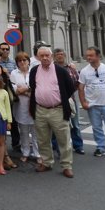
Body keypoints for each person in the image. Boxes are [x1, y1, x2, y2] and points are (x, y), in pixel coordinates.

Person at [29, 47, 76, 178]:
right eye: (41, 55)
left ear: (52, 56)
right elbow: (33, 87)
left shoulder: (61, 71)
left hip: (58, 110)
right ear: (38, 57)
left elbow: (71, 88)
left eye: (47, 55)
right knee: (42, 139)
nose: (44, 58)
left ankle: (66, 165)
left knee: (63, 140)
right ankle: (46, 162)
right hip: (40, 110)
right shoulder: (34, 71)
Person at [9, 52, 40, 163]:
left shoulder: (34, 72)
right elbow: (14, 90)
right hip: (20, 106)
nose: (22, 62)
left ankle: (38, 154)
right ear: (17, 63)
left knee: (36, 132)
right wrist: (27, 90)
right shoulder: (14, 73)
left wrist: (25, 89)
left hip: (34, 105)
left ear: (28, 61)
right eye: (20, 61)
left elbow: (37, 87)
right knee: (23, 131)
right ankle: (25, 152)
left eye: (24, 60)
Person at [54, 48, 85, 155]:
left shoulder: (71, 69)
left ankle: (78, 146)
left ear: (65, 55)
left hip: (71, 99)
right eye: (57, 54)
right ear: (54, 56)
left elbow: (77, 82)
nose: (59, 56)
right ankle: (56, 146)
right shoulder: (51, 68)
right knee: (56, 125)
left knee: (75, 124)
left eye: (61, 54)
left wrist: (68, 92)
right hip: (56, 101)